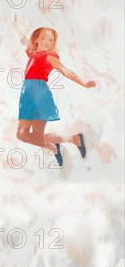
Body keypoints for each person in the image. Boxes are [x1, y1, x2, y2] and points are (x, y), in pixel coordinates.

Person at [13, 23, 96, 166]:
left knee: (38, 137)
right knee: (21, 134)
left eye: (50, 40)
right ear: (37, 39)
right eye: (44, 38)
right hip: (26, 95)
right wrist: (15, 26)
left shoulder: (50, 57)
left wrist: (84, 83)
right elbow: (25, 41)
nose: (46, 41)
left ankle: (72, 140)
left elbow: (65, 71)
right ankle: (58, 145)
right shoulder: (33, 52)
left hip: (40, 95)